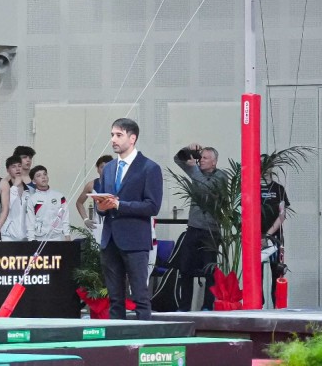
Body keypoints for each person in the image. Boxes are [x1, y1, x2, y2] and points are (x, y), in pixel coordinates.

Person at [95, 117, 163, 320]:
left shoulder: (149, 168)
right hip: (110, 239)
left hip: (135, 240)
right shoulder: (108, 168)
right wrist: (101, 207)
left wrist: (120, 205)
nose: (113, 140)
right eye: (112, 135)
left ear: (132, 138)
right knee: (115, 298)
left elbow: (152, 206)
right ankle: (117, 336)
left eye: (118, 135)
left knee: (140, 296)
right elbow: (104, 204)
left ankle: (143, 334)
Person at [173, 144, 226, 311]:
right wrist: (188, 149)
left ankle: (207, 306)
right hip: (193, 228)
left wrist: (194, 168)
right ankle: (184, 307)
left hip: (211, 231)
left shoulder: (221, 176)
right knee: (185, 268)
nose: (201, 160)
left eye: (205, 158)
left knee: (209, 270)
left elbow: (205, 188)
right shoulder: (196, 171)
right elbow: (177, 159)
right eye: (200, 157)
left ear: (214, 162)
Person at [260, 166, 288, 306]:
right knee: (256, 275)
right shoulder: (253, 188)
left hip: (274, 238)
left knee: (276, 273)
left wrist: (268, 235)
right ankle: (257, 305)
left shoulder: (278, 189)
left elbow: (282, 215)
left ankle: (278, 307)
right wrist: (259, 236)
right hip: (256, 238)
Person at [26, 166, 69, 240]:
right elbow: (30, 222)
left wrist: (67, 234)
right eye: (39, 175)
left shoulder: (59, 197)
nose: (43, 177)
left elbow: (64, 217)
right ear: (33, 181)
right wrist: (31, 240)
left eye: (45, 174)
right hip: (40, 238)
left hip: (57, 237)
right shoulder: (32, 200)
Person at [76, 155, 114, 226]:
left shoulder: (119, 184)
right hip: (99, 225)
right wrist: (85, 219)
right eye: (102, 167)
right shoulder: (91, 185)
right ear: (97, 169)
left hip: (115, 224)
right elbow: (79, 203)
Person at [1, 155, 29, 242]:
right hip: (8, 235)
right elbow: (6, 206)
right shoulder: (4, 188)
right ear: (8, 170)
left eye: (19, 166)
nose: (17, 169)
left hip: (26, 236)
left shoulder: (29, 190)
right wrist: (15, 186)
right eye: (13, 167)